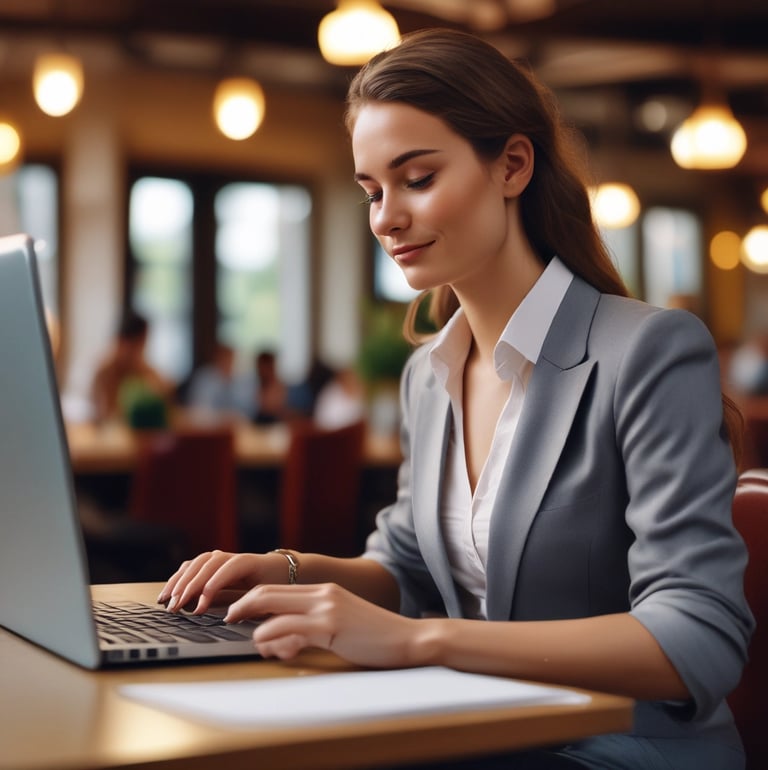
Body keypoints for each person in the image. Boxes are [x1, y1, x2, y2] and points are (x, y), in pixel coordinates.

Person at [158, 29, 753, 769]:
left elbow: (695, 640)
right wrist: (286, 569)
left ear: (512, 165)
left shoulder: (650, 351)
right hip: (475, 729)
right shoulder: (429, 374)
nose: (385, 219)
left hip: (614, 748)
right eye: (372, 191)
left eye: (417, 178)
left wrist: (421, 641)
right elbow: (408, 570)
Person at [90, 310, 172, 424]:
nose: (142, 348)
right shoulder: (105, 372)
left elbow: (166, 398)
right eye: (142, 342)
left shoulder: (144, 371)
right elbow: (102, 415)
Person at [186, 342, 255, 419]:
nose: (228, 363)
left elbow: (248, 409)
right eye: (224, 358)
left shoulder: (241, 380)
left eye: (230, 359)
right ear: (217, 359)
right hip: (209, 427)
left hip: (235, 425)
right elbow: (198, 409)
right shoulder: (204, 378)